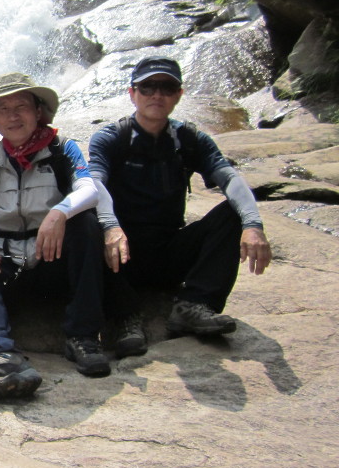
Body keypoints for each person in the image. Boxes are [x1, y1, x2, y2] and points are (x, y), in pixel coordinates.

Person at [88, 56, 272, 349]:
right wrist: (110, 226)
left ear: (179, 95)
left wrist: (253, 225)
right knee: (87, 222)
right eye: (147, 87)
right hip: (119, 254)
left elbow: (231, 180)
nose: (157, 95)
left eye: (167, 87)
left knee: (233, 213)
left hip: (169, 252)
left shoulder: (189, 140)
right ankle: (124, 317)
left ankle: (193, 305)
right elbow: (94, 185)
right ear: (132, 93)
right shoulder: (112, 138)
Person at [0, 74, 109, 402]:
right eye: (3, 109)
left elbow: (89, 190)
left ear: (38, 111)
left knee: (86, 225)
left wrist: (60, 212)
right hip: (10, 267)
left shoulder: (62, 149)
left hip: (55, 264)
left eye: (21, 106)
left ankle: (82, 337)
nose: (12, 116)